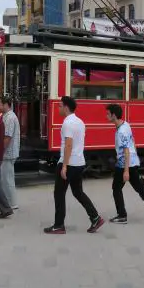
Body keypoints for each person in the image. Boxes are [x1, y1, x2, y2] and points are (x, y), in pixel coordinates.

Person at [43, 96, 104, 235]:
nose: (58, 108)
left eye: (59, 106)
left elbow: (68, 145)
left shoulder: (67, 123)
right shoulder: (80, 122)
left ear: (66, 107)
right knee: (78, 192)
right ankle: (95, 218)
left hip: (69, 163)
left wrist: (64, 166)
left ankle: (59, 225)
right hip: (79, 162)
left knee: (59, 194)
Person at [105, 104, 144, 224]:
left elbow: (126, 151)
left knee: (116, 188)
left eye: (108, 114)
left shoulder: (121, 132)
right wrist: (135, 159)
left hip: (125, 163)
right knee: (140, 189)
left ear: (114, 115)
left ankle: (122, 215)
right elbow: (133, 143)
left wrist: (126, 171)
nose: (106, 116)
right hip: (132, 161)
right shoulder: (125, 124)